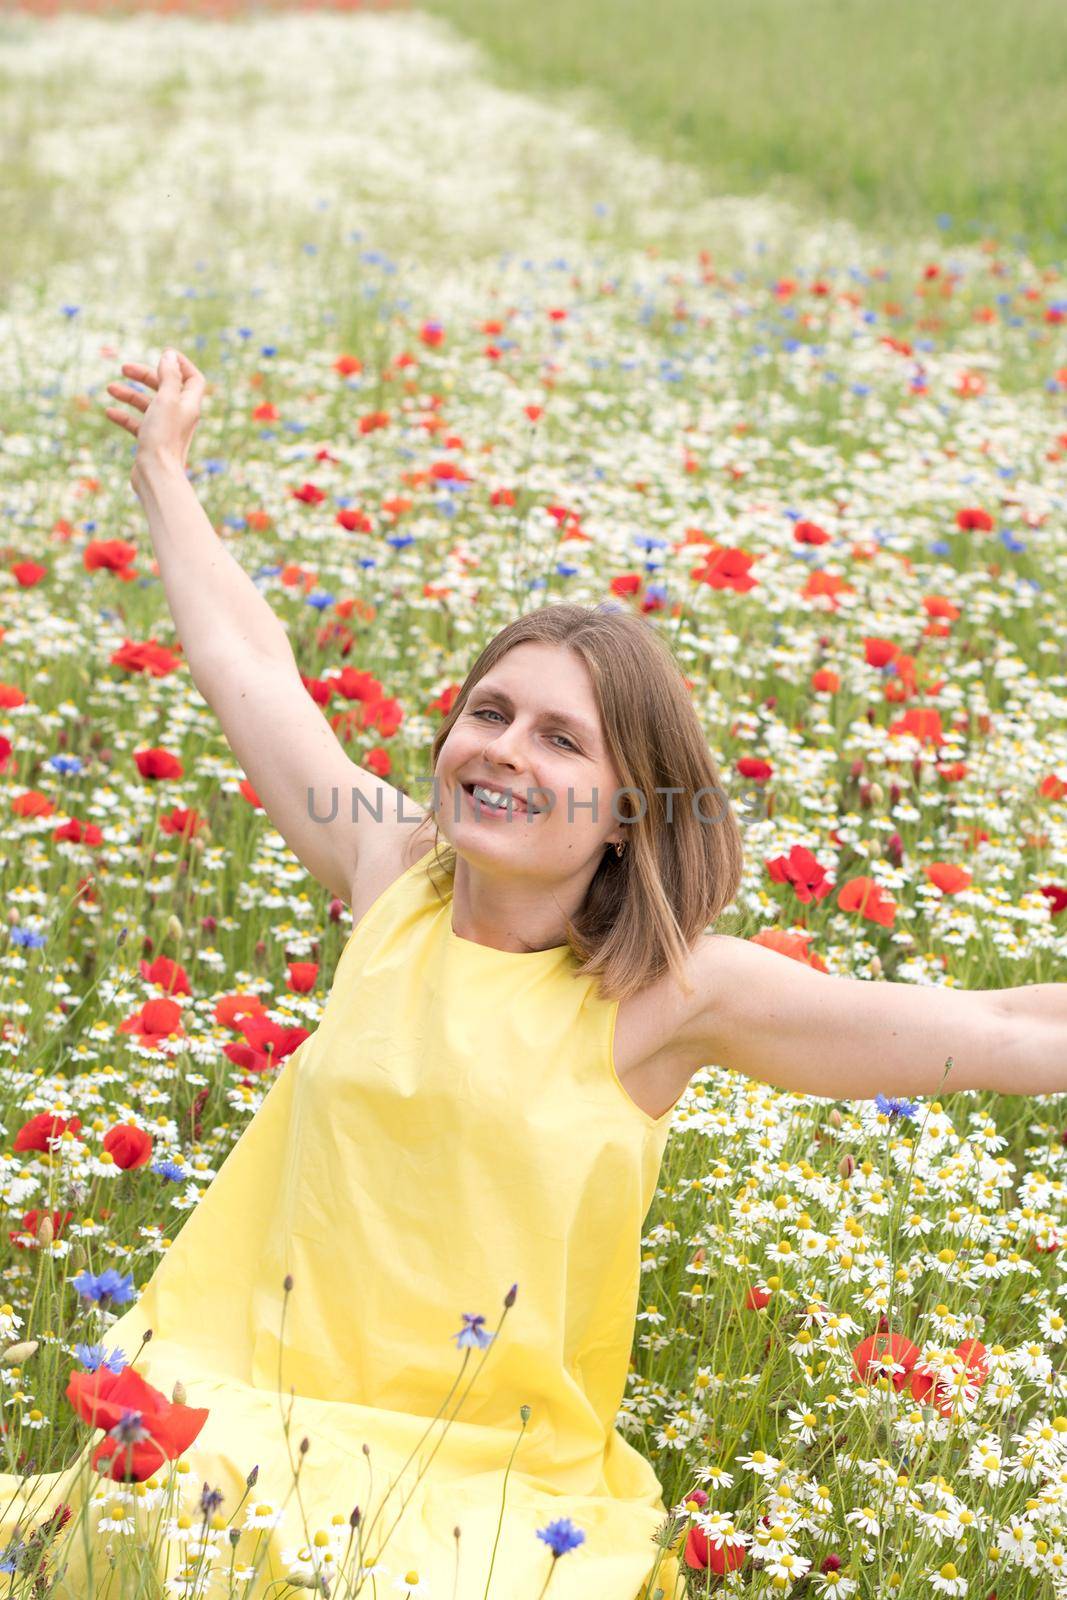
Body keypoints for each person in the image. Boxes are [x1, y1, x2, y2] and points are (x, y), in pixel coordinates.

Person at [3, 350, 1057, 1600]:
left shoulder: (670, 995)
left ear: (626, 808)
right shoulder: (390, 874)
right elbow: (253, 670)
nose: (502, 750)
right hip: (234, 1428)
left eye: (560, 737)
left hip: (479, 1508)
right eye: (488, 713)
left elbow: (993, 1026)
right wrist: (166, 471)